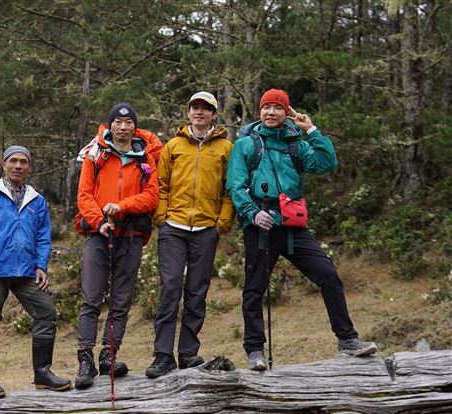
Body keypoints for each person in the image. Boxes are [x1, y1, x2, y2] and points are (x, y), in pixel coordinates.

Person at [226, 88, 377, 370]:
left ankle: (347, 339)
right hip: (261, 226)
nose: (271, 112)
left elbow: (326, 162)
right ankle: (255, 350)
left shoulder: (296, 143)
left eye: (277, 108)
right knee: (255, 288)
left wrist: (311, 130)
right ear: (260, 111)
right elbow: (235, 185)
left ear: (286, 113)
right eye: (266, 107)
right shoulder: (246, 144)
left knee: (328, 275)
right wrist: (252, 213)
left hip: (293, 227)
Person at [0, 145, 71, 398]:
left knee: (46, 311)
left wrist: (41, 266)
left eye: (23, 162)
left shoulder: (37, 199)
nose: (17, 166)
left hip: (26, 270)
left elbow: (43, 236)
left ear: (29, 167)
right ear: (3, 164)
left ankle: (43, 374)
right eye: (13, 161)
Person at [145, 92, 235, 379]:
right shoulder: (173, 146)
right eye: (195, 107)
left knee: (197, 291)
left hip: (206, 229)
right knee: (170, 288)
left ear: (213, 114)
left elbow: (229, 189)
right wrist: (161, 217)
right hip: (174, 228)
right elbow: (161, 185)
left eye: (205, 109)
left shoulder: (225, 148)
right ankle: (162, 356)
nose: (199, 112)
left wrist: (221, 224)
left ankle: (187, 353)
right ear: (189, 112)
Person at [74, 102, 160, 389]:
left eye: (128, 122)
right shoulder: (95, 155)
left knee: (121, 300)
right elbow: (84, 195)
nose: (123, 127)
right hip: (99, 234)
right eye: (118, 122)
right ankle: (85, 359)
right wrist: (100, 222)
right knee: (91, 298)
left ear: (135, 126)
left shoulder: (145, 158)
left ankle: (109, 355)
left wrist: (121, 207)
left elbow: (151, 197)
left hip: (132, 235)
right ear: (110, 125)